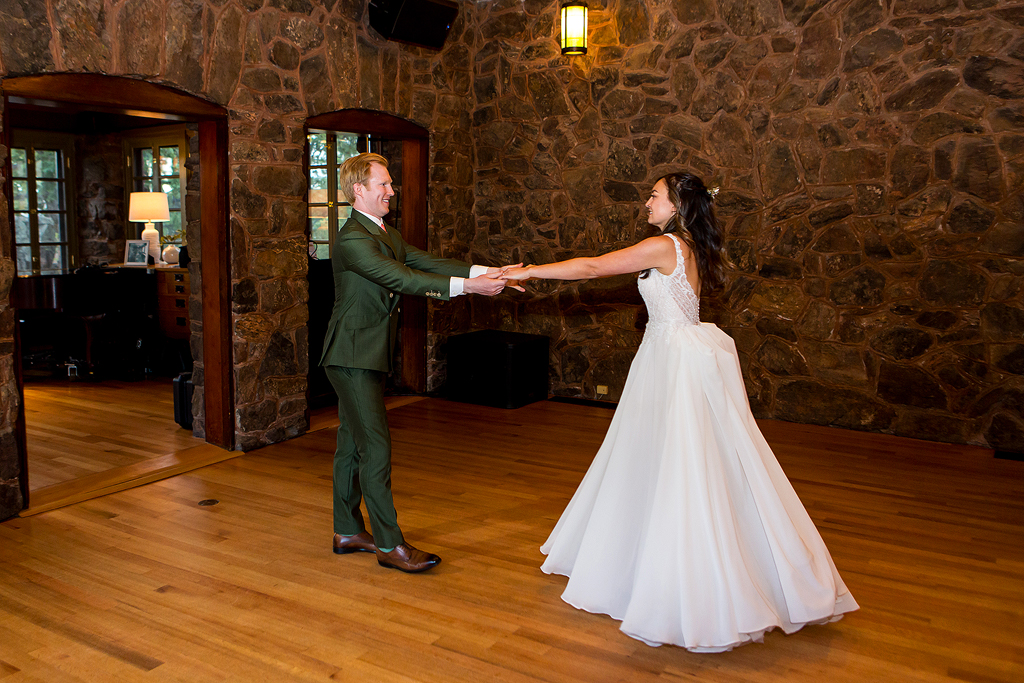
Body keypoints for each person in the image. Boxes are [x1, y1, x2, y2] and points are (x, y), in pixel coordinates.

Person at [502, 172, 858, 651]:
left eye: (654, 195)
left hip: (672, 358)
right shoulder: (688, 245)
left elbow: (592, 267)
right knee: (671, 457)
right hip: (669, 353)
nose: (647, 202)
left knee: (679, 460)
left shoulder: (665, 245)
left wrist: (529, 271)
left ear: (676, 205)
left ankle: (683, 575)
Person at [321, 152, 519, 573]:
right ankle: (389, 545)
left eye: (390, 183)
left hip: (361, 353)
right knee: (375, 447)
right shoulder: (353, 239)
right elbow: (402, 278)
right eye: (383, 184)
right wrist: (469, 287)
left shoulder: (382, 232)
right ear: (359, 190)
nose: (391, 191)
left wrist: (491, 271)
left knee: (352, 444)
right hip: (352, 355)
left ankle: (347, 530)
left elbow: (424, 262)